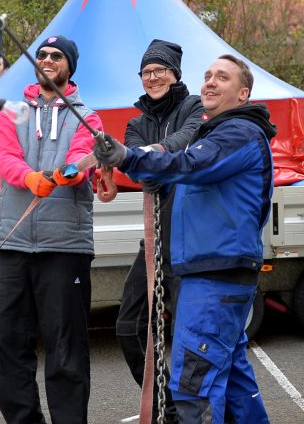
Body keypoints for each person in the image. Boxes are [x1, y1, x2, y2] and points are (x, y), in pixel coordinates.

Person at [94, 55, 274, 424]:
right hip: (214, 274)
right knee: (234, 380)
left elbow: (188, 165)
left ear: (243, 93)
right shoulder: (219, 132)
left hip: (214, 277)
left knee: (194, 388)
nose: (210, 82)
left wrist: (128, 157)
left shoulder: (237, 133)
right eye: (207, 75)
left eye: (221, 77)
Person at [0, 35, 103, 424]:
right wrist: (29, 177)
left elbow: (80, 157)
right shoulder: (15, 111)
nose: (48, 60)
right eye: (42, 55)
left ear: (70, 66)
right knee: (1, 341)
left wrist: (68, 173)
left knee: (66, 349)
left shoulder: (86, 115)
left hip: (65, 247)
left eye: (56, 56)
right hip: (14, 242)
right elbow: (4, 155)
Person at [116, 39, 205, 422]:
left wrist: (152, 153)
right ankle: (164, 404)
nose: (152, 77)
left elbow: (187, 141)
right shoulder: (136, 122)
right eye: (147, 71)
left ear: (174, 74)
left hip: (190, 235)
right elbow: (133, 165)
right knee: (127, 325)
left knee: (189, 330)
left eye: (160, 70)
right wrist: (146, 157)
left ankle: (195, 408)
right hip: (154, 238)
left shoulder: (196, 107)